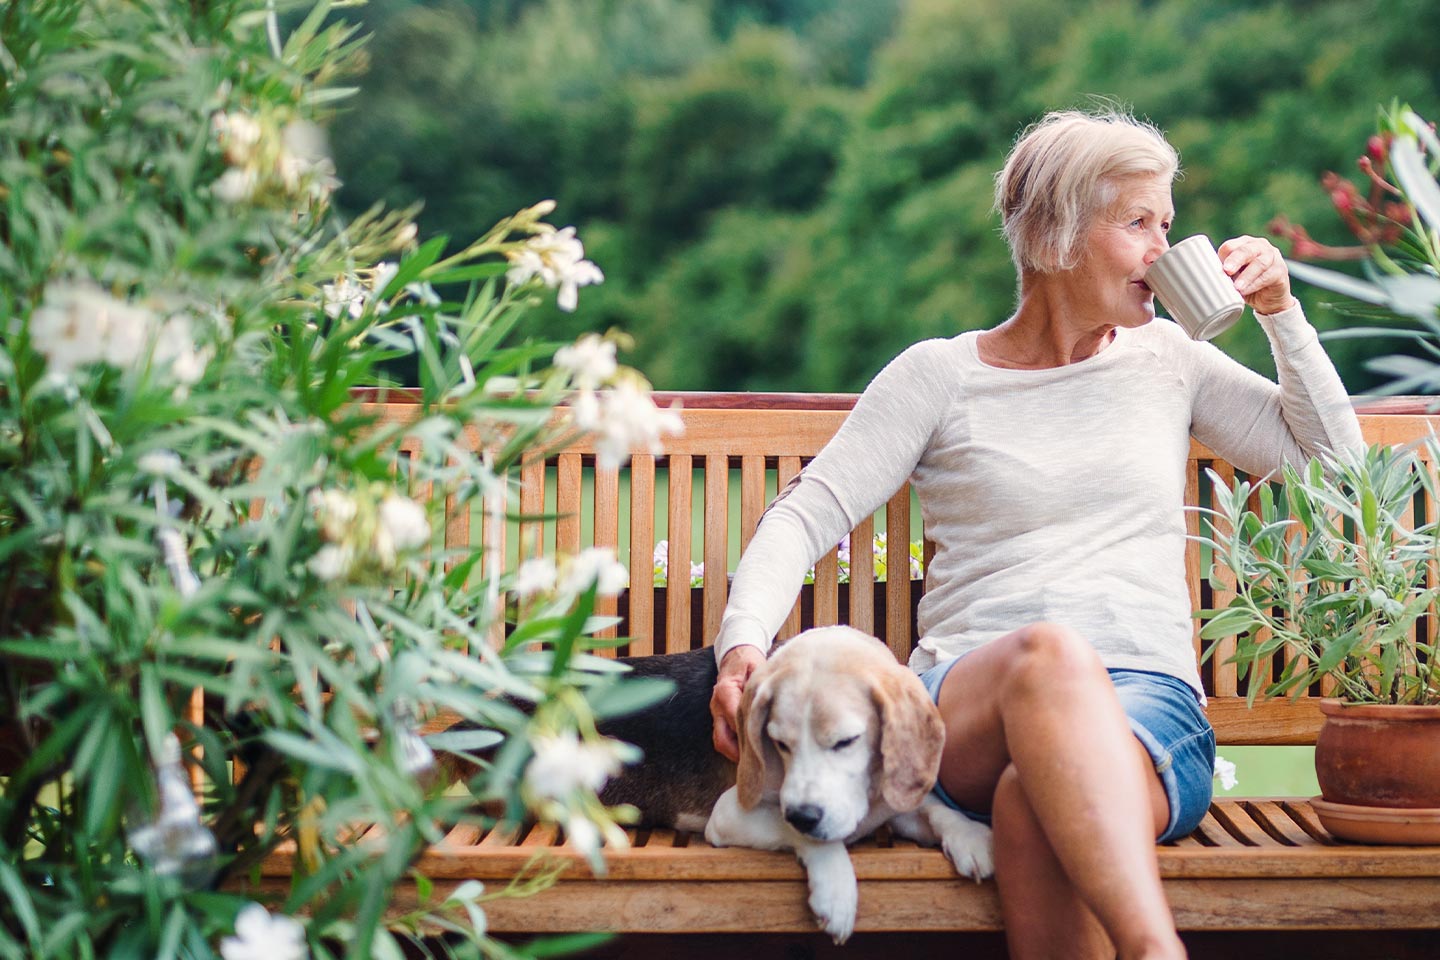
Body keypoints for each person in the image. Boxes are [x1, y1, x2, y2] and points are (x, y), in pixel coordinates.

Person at [706, 108, 1363, 960]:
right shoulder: (939, 377)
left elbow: (1337, 472)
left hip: (1148, 709)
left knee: (1030, 800)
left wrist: (1280, 311)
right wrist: (739, 649)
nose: (1165, 250)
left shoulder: (1169, 359)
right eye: (1138, 224)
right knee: (1049, 656)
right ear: (1055, 234)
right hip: (968, 707)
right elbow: (804, 516)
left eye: (1168, 224)